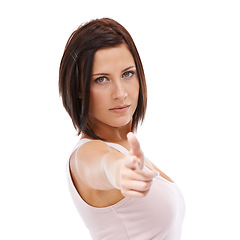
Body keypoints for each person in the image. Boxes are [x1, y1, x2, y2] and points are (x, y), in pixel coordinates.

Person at [59, 18, 185, 240]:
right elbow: (100, 165)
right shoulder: (87, 154)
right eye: (101, 79)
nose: (120, 93)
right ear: (79, 89)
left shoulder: (126, 148)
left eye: (127, 74)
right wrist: (116, 171)